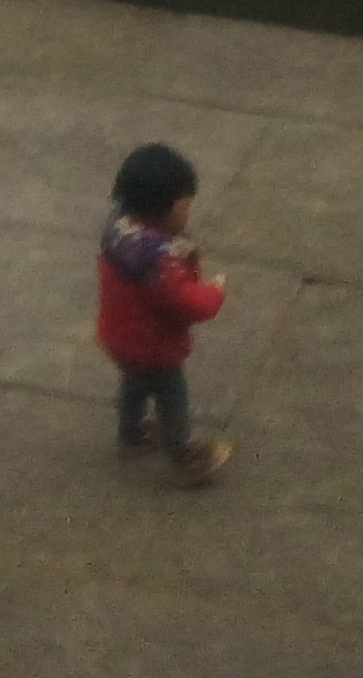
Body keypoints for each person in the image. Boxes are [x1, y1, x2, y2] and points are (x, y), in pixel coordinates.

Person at [95, 141, 231, 486]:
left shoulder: (118, 230)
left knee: (133, 384)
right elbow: (185, 302)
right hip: (153, 346)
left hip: (118, 335)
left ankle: (131, 432)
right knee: (172, 396)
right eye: (185, 206)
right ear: (162, 210)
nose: (188, 214)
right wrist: (214, 292)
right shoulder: (160, 262)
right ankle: (183, 453)